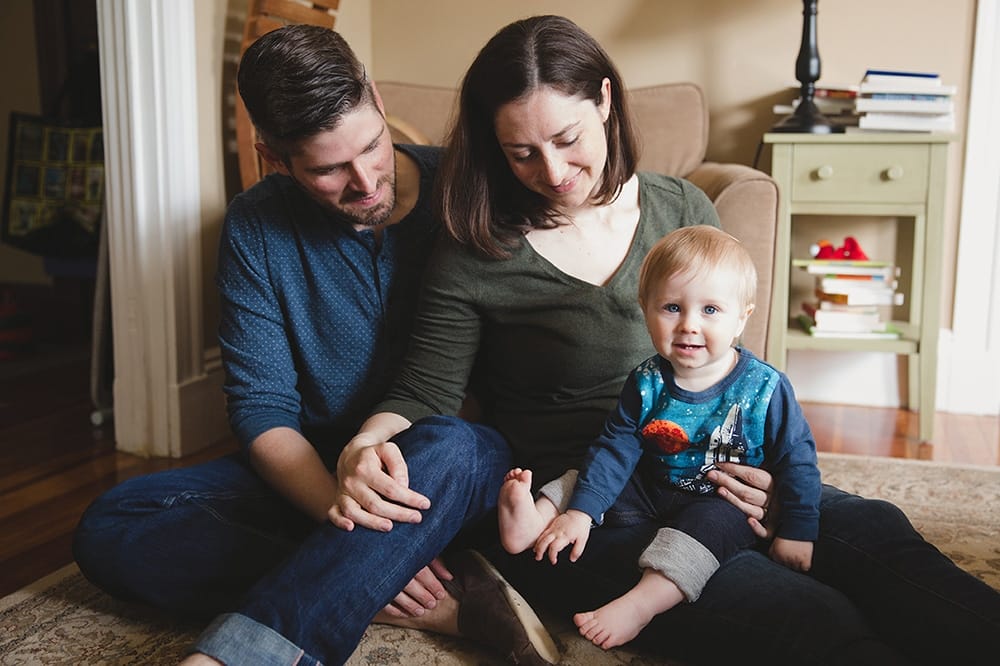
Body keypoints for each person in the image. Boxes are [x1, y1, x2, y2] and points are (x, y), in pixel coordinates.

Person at [334, 14, 1000, 666]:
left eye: (568, 139)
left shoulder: (682, 209)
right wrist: (365, 446)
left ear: (603, 100)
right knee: (802, 615)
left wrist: (766, 472)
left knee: (874, 537)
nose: (555, 171)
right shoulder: (478, 247)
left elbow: (733, 365)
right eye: (522, 153)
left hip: (713, 474)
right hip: (587, 504)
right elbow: (426, 386)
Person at [71, 24, 560, 666]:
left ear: (378, 101)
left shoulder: (468, 189)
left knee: (454, 442)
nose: (364, 182)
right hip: (324, 474)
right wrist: (342, 502)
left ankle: (256, 645)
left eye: (372, 147)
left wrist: (379, 491)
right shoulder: (255, 227)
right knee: (113, 525)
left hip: (457, 471)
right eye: (328, 169)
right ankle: (410, 587)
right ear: (273, 156)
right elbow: (261, 411)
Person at [498, 224, 821, 649]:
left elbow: (798, 459)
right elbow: (617, 446)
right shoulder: (647, 380)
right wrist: (581, 512)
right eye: (672, 307)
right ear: (645, 308)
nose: (689, 325)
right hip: (650, 486)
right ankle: (534, 520)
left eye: (710, 310)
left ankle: (640, 605)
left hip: (718, 500)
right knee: (588, 474)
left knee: (704, 531)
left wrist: (798, 528)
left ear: (742, 316)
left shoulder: (765, 388)